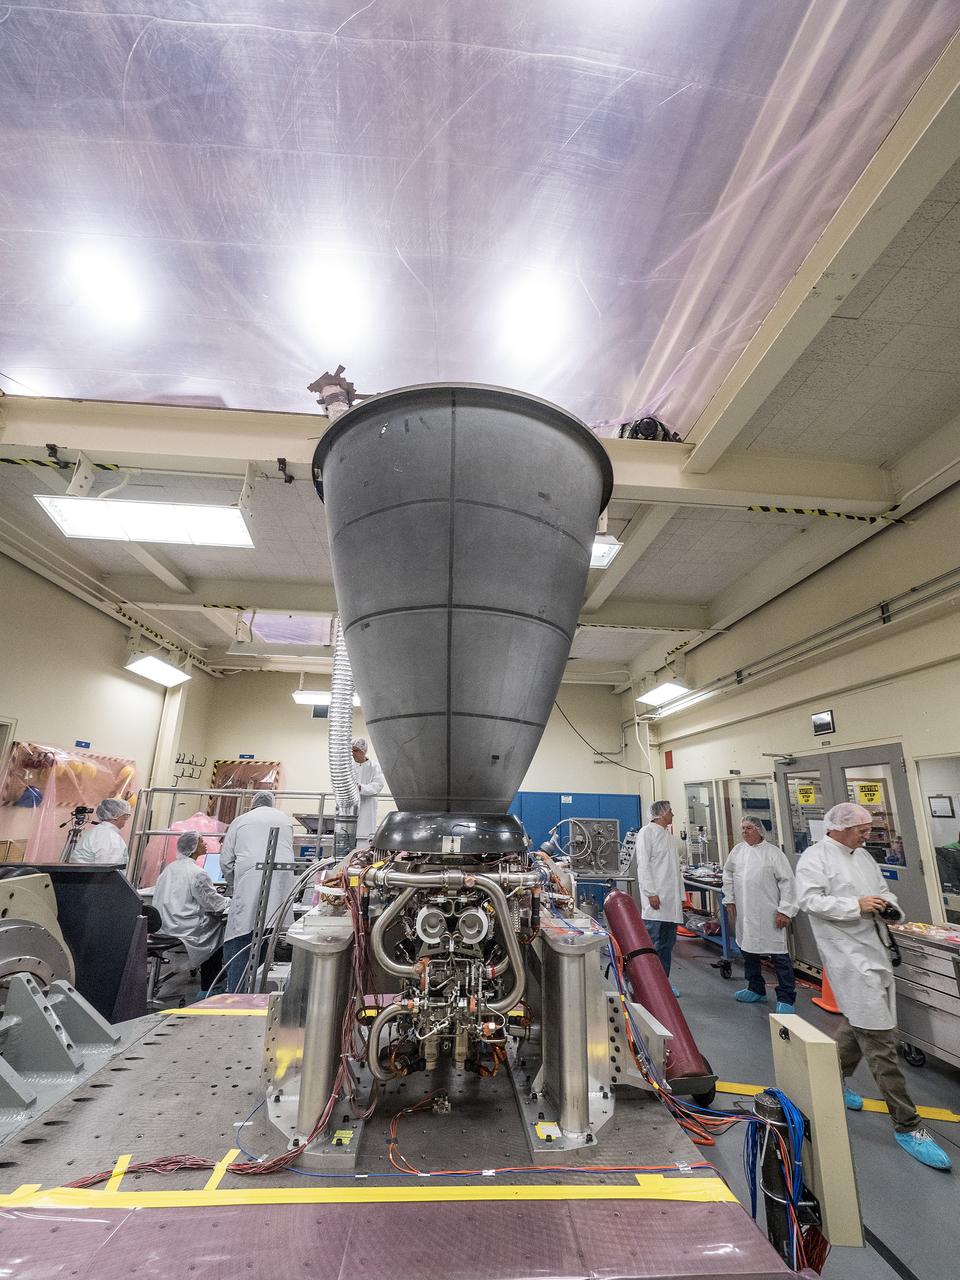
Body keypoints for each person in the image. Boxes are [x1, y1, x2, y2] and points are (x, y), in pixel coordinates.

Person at [796, 802, 951, 1171]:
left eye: (869, 829)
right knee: (880, 1041)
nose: (868, 835)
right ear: (838, 828)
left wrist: (889, 908)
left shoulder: (863, 856)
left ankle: (829, 1081)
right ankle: (907, 1124)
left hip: (874, 949)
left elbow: (882, 890)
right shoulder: (816, 858)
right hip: (847, 955)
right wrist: (856, 905)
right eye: (861, 830)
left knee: (860, 1023)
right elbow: (810, 900)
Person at [220, 792, 295, 993]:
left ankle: (237, 995)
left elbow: (226, 861)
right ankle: (259, 993)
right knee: (267, 938)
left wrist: (233, 885)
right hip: (282, 884)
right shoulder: (284, 819)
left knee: (240, 940)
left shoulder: (241, 820)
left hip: (250, 881)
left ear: (252, 805)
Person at [722, 818, 798, 1012]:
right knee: (748, 951)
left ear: (760, 831)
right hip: (745, 912)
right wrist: (729, 899)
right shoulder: (737, 851)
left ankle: (786, 998)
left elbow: (788, 883)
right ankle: (755, 988)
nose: (745, 832)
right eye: (743, 828)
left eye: (749, 828)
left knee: (779, 955)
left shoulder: (773, 854)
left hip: (769, 914)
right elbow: (728, 874)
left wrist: (785, 910)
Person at [152, 831, 230, 995]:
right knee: (219, 928)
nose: (205, 843)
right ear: (193, 848)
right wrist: (233, 901)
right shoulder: (197, 872)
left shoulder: (169, 868)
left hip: (165, 926)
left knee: (211, 924)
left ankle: (212, 979)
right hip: (185, 928)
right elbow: (213, 903)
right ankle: (210, 985)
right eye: (201, 841)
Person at [630, 799, 684, 995]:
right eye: (670, 811)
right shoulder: (647, 833)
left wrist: (680, 895)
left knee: (667, 945)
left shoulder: (668, 836)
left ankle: (663, 984)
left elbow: (674, 869)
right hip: (656, 899)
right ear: (661, 814)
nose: (672, 814)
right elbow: (643, 866)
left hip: (670, 901)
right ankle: (647, 985)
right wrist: (651, 893)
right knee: (652, 945)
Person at [69, 797, 132, 866]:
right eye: (126, 816)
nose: (126, 820)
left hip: (82, 872)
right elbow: (107, 868)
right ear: (115, 816)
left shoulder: (94, 832)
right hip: (92, 873)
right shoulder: (110, 838)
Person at [351, 737, 385, 846]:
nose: (353, 753)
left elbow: (378, 785)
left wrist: (361, 788)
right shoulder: (348, 767)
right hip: (350, 806)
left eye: (356, 751)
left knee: (364, 838)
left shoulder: (374, 767)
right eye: (351, 750)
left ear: (363, 751)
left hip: (368, 806)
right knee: (348, 834)